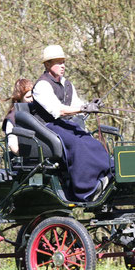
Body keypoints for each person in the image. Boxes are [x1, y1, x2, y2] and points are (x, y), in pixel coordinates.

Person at [31, 44, 112, 201]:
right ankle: (86, 190)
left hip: (65, 125)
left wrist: (91, 105)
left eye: (63, 62)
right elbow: (58, 111)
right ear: (47, 65)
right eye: (58, 62)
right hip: (47, 127)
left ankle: (106, 175)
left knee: (92, 142)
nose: (62, 66)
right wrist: (83, 107)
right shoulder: (42, 85)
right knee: (77, 144)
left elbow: (76, 104)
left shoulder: (67, 84)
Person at [2, 78, 34, 155]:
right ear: (19, 98)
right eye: (28, 97)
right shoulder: (12, 117)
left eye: (33, 96)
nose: (32, 99)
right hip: (25, 160)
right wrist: (27, 156)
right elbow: (12, 143)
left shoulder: (38, 112)